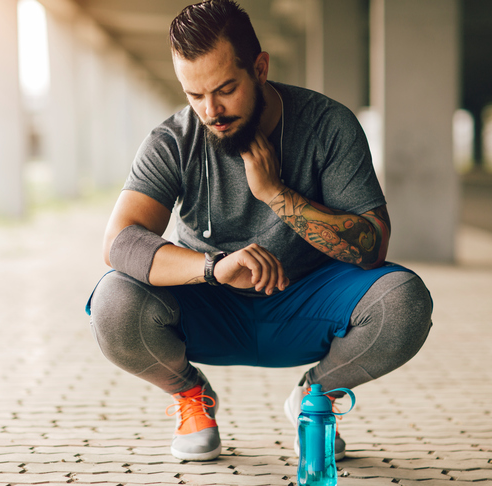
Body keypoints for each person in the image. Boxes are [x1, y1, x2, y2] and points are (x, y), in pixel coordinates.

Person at [86, 0, 432, 462]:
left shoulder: (328, 125)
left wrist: (275, 194)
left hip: (308, 299)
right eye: (194, 95)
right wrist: (213, 268)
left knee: (404, 301)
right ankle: (192, 398)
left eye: (225, 88)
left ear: (260, 68)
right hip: (209, 302)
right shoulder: (174, 139)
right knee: (113, 303)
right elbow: (119, 242)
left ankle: (316, 398)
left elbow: (372, 246)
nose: (211, 109)